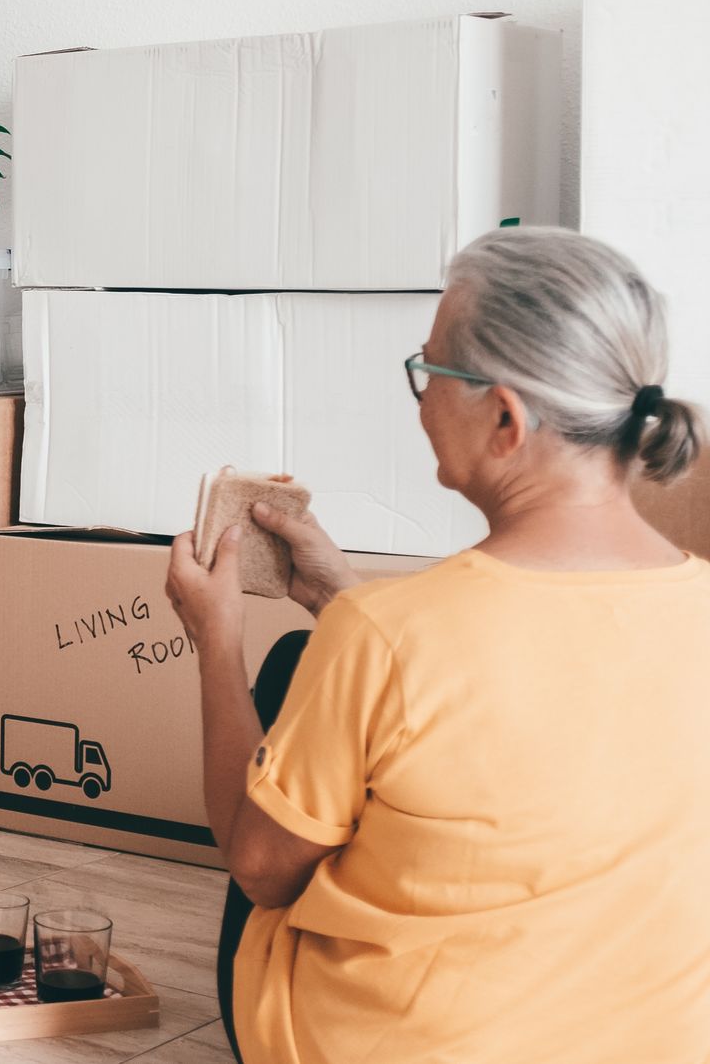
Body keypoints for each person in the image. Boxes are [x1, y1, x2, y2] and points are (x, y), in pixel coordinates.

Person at [162, 226, 710, 1063]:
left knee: (283, 678)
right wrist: (341, 598)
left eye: (429, 371)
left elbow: (259, 868)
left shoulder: (385, 638)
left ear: (503, 416)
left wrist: (215, 637)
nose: (419, 401)